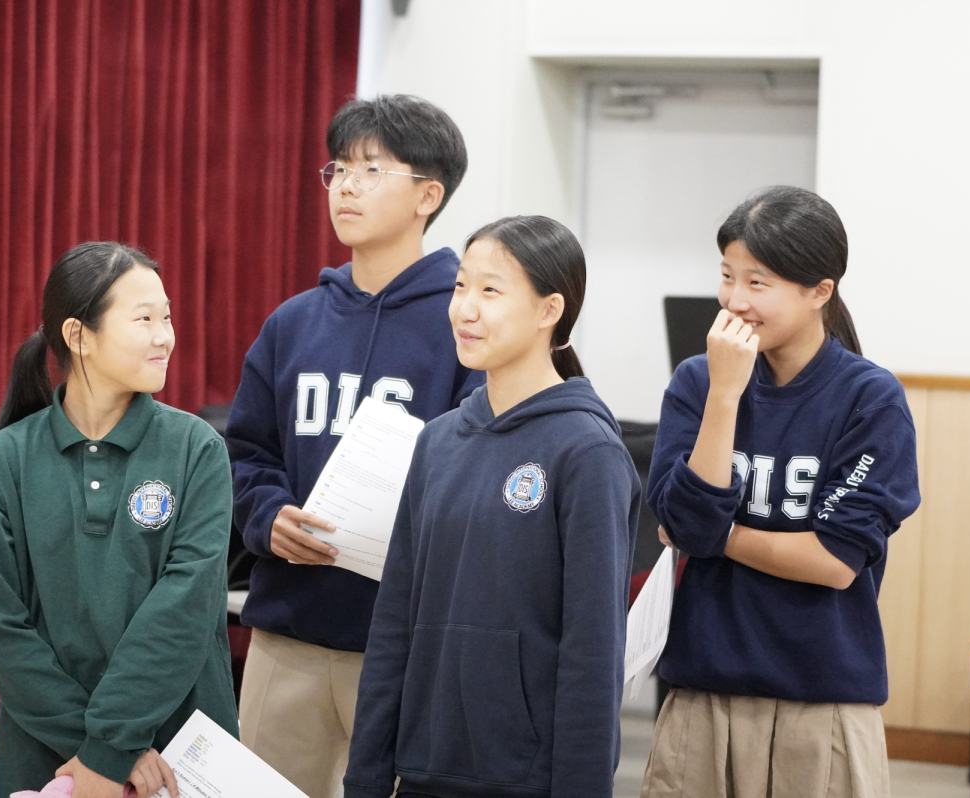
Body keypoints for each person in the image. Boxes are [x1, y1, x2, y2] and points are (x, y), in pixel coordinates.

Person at [224, 94, 480, 798]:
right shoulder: (293, 322)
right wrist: (267, 515)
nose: (345, 186)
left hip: (404, 642)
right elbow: (247, 452)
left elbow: (479, 471)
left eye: (371, 170)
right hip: (287, 636)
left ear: (429, 195)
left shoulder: (466, 324)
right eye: (337, 169)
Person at [343, 215, 640, 798]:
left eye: (490, 290)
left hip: (525, 778)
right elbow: (394, 626)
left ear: (549, 310)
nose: (465, 309)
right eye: (460, 287)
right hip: (423, 769)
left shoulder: (587, 452)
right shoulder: (438, 440)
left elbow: (593, 655)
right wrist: (367, 778)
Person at [642, 186, 921, 797]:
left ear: (820, 291)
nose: (734, 301)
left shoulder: (870, 399)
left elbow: (833, 561)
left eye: (758, 283)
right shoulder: (699, 381)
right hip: (702, 693)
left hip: (820, 702)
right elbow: (683, 527)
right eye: (727, 276)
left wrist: (719, 533)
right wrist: (724, 395)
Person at [0, 242, 238, 798]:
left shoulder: (197, 449)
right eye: (145, 319)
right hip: (48, 753)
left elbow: (182, 613)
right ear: (78, 335)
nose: (166, 336)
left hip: (178, 749)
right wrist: (93, 753)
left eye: (167, 317)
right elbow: (0, 624)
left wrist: (109, 748)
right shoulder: (5, 460)